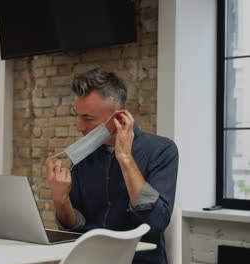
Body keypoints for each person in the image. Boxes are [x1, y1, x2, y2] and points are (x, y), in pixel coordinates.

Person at [46, 68, 178, 264]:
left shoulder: (161, 150)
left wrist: (125, 158)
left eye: (88, 119)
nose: (79, 127)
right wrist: (61, 201)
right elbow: (76, 225)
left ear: (119, 118)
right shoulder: (83, 156)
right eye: (78, 116)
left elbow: (155, 222)